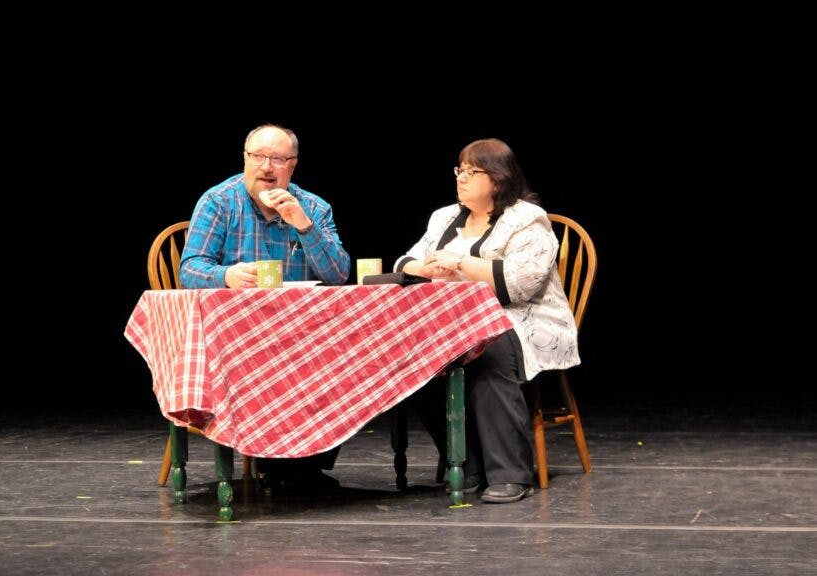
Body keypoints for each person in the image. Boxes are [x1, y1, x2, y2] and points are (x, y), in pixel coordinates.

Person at [393, 138, 580, 504]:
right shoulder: (444, 217)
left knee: (488, 346)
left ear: (497, 178)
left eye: (471, 171)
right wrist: (427, 268)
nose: (460, 178)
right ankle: (466, 461)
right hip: (456, 321)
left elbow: (521, 283)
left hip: (525, 319)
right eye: (458, 170)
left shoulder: (527, 219)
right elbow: (404, 262)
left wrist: (460, 263)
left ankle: (510, 473)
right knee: (412, 354)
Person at [179, 123, 351, 492]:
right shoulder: (219, 202)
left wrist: (304, 227)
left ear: (293, 165)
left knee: (345, 353)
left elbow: (338, 275)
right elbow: (189, 268)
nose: (266, 167)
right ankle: (281, 465)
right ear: (245, 159)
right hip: (239, 337)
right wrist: (226, 275)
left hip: (303, 333)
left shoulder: (314, 207)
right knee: (272, 363)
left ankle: (305, 463)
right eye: (258, 157)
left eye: (277, 159)